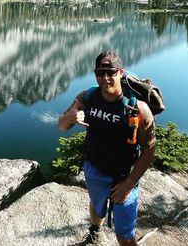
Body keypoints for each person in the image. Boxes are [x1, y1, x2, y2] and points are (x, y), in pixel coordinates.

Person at [58, 50, 156, 246]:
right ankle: (95, 231)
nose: (105, 78)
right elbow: (62, 126)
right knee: (96, 207)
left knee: (125, 236)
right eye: (100, 72)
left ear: (120, 72)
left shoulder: (138, 109)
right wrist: (68, 118)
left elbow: (150, 150)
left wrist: (129, 183)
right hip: (94, 169)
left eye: (110, 72)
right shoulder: (87, 97)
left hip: (124, 176)